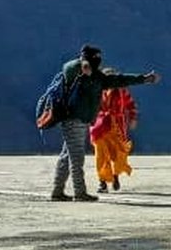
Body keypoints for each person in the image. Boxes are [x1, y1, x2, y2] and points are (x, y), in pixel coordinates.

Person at [50, 45, 158, 202]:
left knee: (67, 156)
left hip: (83, 121)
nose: (98, 62)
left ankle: (57, 191)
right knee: (77, 157)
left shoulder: (98, 78)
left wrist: (144, 79)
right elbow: (67, 67)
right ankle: (80, 193)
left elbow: (120, 80)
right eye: (95, 58)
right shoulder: (74, 71)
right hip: (72, 119)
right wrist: (82, 64)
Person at [90, 70, 139, 193]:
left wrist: (133, 118)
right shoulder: (96, 90)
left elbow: (131, 105)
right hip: (100, 126)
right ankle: (102, 182)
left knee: (119, 154)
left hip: (117, 126)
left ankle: (115, 176)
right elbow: (89, 106)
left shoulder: (122, 92)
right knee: (101, 154)